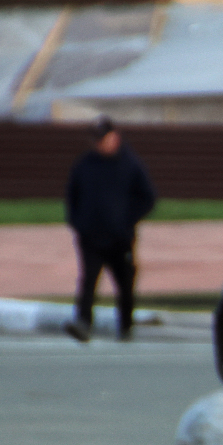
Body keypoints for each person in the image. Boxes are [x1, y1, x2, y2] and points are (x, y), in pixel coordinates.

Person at [62, 117, 156, 343]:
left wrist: (127, 221)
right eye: (96, 140)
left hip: (119, 238)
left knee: (125, 283)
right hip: (90, 237)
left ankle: (125, 326)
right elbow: (72, 196)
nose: (100, 144)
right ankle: (83, 323)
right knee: (88, 281)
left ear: (115, 137)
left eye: (103, 139)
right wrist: (78, 223)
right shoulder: (84, 164)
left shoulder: (131, 165)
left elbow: (147, 197)